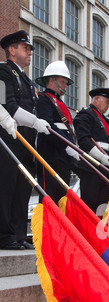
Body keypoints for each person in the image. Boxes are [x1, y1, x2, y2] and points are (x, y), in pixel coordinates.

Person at [0, 30, 49, 250]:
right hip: (9, 139)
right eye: (25, 48)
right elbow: (7, 105)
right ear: (12, 50)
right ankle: (4, 235)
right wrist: (34, 121)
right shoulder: (3, 72)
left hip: (26, 142)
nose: (30, 52)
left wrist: (36, 126)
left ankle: (18, 235)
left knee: (22, 190)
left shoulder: (28, 81)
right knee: (6, 188)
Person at [35, 61, 79, 204]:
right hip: (51, 156)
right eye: (63, 82)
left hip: (64, 157)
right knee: (50, 201)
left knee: (62, 201)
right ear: (52, 79)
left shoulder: (60, 102)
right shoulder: (43, 99)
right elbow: (49, 127)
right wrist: (66, 145)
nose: (66, 86)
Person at [73, 87, 109, 213]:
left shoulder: (102, 119)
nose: (108, 106)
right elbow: (84, 140)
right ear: (96, 99)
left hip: (104, 167)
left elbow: (107, 146)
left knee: (102, 208)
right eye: (106, 102)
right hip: (91, 167)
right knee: (91, 206)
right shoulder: (86, 114)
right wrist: (101, 157)